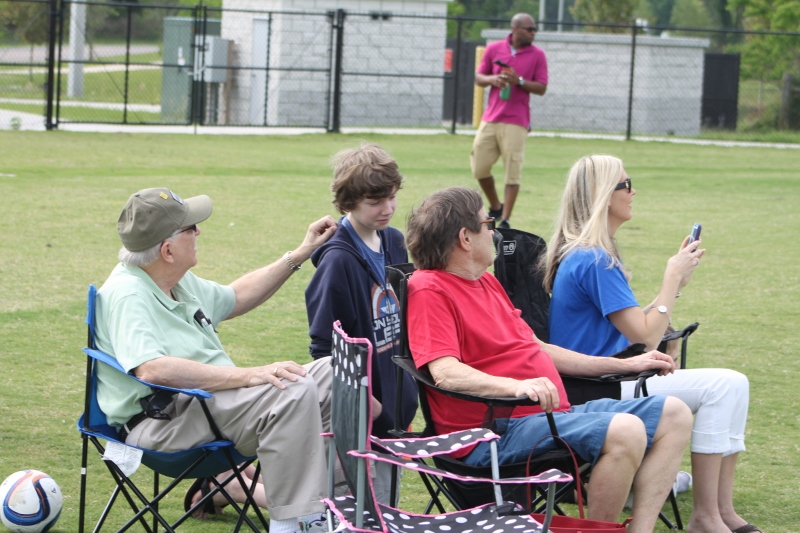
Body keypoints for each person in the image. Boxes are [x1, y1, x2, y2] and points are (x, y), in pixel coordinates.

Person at [404, 186, 693, 533]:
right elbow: (445, 372)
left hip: (546, 418)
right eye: (488, 223)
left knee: (675, 413)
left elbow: (537, 348)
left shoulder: (485, 283)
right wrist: (517, 387)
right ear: (465, 238)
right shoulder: (429, 289)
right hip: (491, 432)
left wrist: (625, 365)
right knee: (625, 430)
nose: (494, 232)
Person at [95, 187, 338, 533]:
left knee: (336, 373)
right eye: (189, 228)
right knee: (292, 389)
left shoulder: (173, 279)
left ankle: (339, 507)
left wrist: (301, 252)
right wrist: (249, 375)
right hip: (162, 423)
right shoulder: (127, 294)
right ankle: (294, 524)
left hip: (207, 406)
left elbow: (235, 296)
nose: (198, 231)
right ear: (167, 250)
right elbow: (152, 368)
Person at [543, 155, 757, 533]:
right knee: (725, 385)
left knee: (733, 385)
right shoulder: (594, 259)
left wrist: (673, 289)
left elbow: (632, 328)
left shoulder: (584, 253)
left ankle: (720, 510)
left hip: (604, 377)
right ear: (603, 194)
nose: (633, 191)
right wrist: (671, 279)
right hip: (600, 385)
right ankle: (706, 515)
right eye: (626, 185)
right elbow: (645, 335)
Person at [305, 144, 418, 504]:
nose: (387, 209)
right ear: (348, 202)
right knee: (366, 512)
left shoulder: (394, 241)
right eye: (375, 202)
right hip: (361, 417)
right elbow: (325, 350)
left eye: (392, 197)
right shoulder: (337, 261)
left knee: (389, 504)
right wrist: (369, 405)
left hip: (396, 408)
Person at [471, 12, 548, 229]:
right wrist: (493, 79)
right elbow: (478, 77)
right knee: (479, 167)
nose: (533, 33)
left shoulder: (538, 55)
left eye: (534, 29)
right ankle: (496, 205)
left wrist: (519, 81)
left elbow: (542, 87)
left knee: (512, 172)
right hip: (491, 117)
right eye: (529, 29)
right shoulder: (494, 49)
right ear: (515, 29)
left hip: (517, 120)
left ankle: (504, 220)